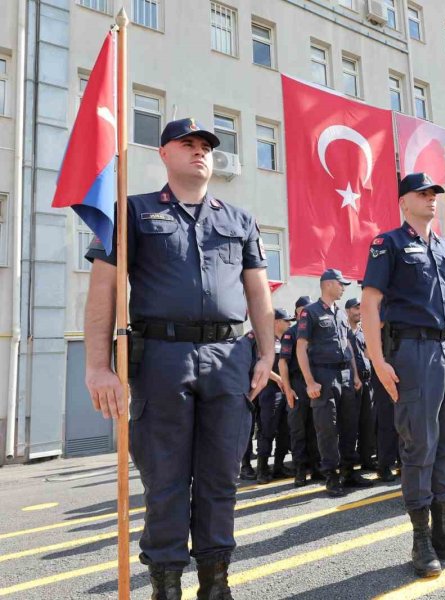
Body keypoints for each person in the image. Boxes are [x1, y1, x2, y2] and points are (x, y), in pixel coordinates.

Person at [83, 118, 272, 598]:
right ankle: (165, 584)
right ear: (163, 153)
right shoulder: (132, 211)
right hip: (161, 357)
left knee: (221, 476)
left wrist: (266, 353)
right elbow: (105, 288)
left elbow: (257, 293)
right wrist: (98, 365)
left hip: (229, 356)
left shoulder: (239, 218)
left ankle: (216, 581)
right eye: (187, 144)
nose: (200, 151)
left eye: (207, 145)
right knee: (165, 479)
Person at [361, 172, 445, 578]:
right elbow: (370, 303)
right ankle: (421, 538)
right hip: (412, 351)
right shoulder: (389, 244)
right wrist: (378, 361)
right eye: (422, 193)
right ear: (403, 201)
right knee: (420, 444)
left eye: (434, 193)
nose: (432, 199)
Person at [295, 269, 369, 497]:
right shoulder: (311, 313)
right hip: (323, 377)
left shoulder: (339, 314)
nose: (344, 287)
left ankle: (349, 471)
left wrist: (355, 375)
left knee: (349, 425)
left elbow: (348, 347)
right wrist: (309, 382)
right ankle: (331, 476)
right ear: (328, 284)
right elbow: (301, 349)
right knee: (327, 428)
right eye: (341, 283)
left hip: (345, 375)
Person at [244, 309, 297, 484]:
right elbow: (258, 363)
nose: (290, 323)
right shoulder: (262, 340)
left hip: (284, 391)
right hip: (269, 391)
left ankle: (279, 466)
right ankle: (262, 470)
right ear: (275, 322)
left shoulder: (285, 339)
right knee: (267, 431)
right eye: (286, 320)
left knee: (284, 431)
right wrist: (278, 378)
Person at [280, 296, 322, 487]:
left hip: (315, 383)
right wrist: (287, 389)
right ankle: (300, 470)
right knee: (298, 429)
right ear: (297, 311)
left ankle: (316, 467)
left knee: (316, 428)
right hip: (298, 385)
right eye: (304, 309)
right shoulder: (291, 333)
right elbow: (283, 362)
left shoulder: (316, 331)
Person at [346, 297, 377, 470]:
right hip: (351, 383)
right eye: (356, 309)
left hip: (367, 381)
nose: (359, 312)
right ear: (348, 310)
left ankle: (366, 458)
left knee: (367, 422)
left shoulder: (363, 331)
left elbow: (368, 354)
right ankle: (350, 462)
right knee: (351, 423)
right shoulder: (343, 331)